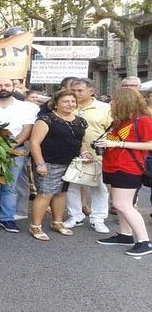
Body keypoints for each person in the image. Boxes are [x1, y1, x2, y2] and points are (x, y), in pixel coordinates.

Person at [95, 88, 152, 256]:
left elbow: (150, 144)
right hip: (112, 165)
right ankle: (125, 235)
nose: (111, 103)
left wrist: (119, 145)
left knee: (123, 205)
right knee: (119, 204)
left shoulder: (142, 120)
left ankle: (144, 241)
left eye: (114, 100)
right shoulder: (121, 120)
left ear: (124, 101)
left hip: (128, 167)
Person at [0, 78, 38, 233]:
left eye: (7, 85)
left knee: (10, 187)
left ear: (13, 87)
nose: (3, 88)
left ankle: (7, 219)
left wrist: (8, 147)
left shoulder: (26, 107)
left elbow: (27, 130)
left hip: (16, 151)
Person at [29, 90, 87, 241]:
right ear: (56, 104)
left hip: (70, 163)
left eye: (72, 101)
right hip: (49, 162)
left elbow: (80, 142)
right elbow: (35, 143)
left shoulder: (80, 120)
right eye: (65, 101)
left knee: (61, 193)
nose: (70, 104)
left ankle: (57, 222)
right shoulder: (46, 119)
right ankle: (35, 226)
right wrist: (40, 163)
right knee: (45, 194)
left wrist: (85, 153)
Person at [63, 78, 112, 233]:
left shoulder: (105, 108)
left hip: (98, 155)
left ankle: (98, 219)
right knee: (72, 186)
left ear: (91, 91)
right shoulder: (68, 105)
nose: (76, 94)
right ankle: (75, 216)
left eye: (80, 91)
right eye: (74, 91)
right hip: (72, 155)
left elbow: (112, 131)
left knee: (100, 188)